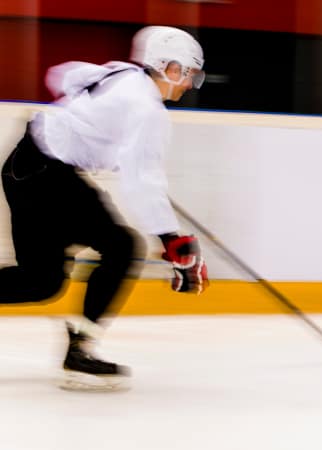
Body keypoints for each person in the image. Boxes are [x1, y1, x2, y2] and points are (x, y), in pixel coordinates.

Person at [0, 26, 209, 391]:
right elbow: (141, 180)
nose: (190, 83)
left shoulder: (122, 73)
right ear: (169, 67)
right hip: (48, 176)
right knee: (122, 246)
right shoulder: (147, 109)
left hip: (28, 165)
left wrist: (98, 138)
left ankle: (80, 347)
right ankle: (81, 350)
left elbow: (65, 75)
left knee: (41, 282)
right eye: (190, 73)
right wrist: (170, 239)